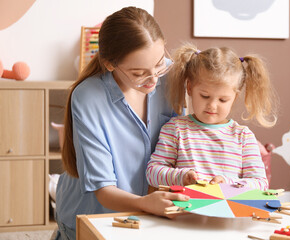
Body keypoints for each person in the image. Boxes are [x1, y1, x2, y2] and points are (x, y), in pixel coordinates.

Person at [55, 7, 189, 240]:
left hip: (147, 215)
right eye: (139, 73)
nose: (154, 79)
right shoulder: (89, 97)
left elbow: (179, 146)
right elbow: (104, 191)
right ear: (109, 64)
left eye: (159, 64)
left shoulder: (171, 76)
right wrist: (147, 204)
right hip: (93, 217)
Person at [146, 43, 278, 190]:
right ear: (189, 88)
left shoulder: (243, 137)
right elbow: (152, 172)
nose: (212, 105)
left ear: (235, 97)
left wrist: (229, 184)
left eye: (222, 100)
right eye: (205, 96)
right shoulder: (175, 129)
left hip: (231, 211)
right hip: (183, 210)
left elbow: (261, 183)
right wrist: (181, 177)